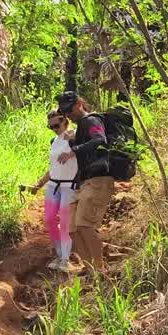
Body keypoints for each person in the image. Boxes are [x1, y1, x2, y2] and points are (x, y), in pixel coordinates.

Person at [55, 90, 114, 268]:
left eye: (70, 110)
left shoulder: (91, 120)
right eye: (65, 112)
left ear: (79, 104)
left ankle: (99, 269)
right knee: (71, 228)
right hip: (84, 181)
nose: (68, 115)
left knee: (84, 225)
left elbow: (100, 139)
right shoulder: (80, 126)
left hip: (98, 178)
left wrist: (74, 149)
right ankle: (90, 269)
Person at [22, 109, 78, 271]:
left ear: (65, 121)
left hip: (69, 185)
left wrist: (73, 147)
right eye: (50, 126)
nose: (54, 128)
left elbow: (85, 147)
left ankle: (65, 259)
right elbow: (52, 167)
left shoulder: (74, 137)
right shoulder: (53, 141)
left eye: (56, 125)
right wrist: (39, 184)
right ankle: (60, 254)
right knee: (49, 219)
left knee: (65, 222)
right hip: (53, 184)